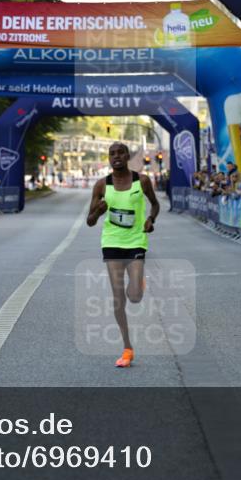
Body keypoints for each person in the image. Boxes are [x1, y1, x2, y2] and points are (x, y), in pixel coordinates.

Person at [85, 142, 160, 368]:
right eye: (112, 154)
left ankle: (138, 283)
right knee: (118, 297)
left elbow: (155, 205)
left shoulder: (142, 181)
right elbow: (89, 221)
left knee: (135, 296)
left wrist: (150, 220)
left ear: (127, 156)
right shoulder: (101, 185)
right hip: (112, 242)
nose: (116, 157)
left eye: (120, 153)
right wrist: (98, 212)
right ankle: (127, 349)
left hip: (136, 240)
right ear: (108, 158)